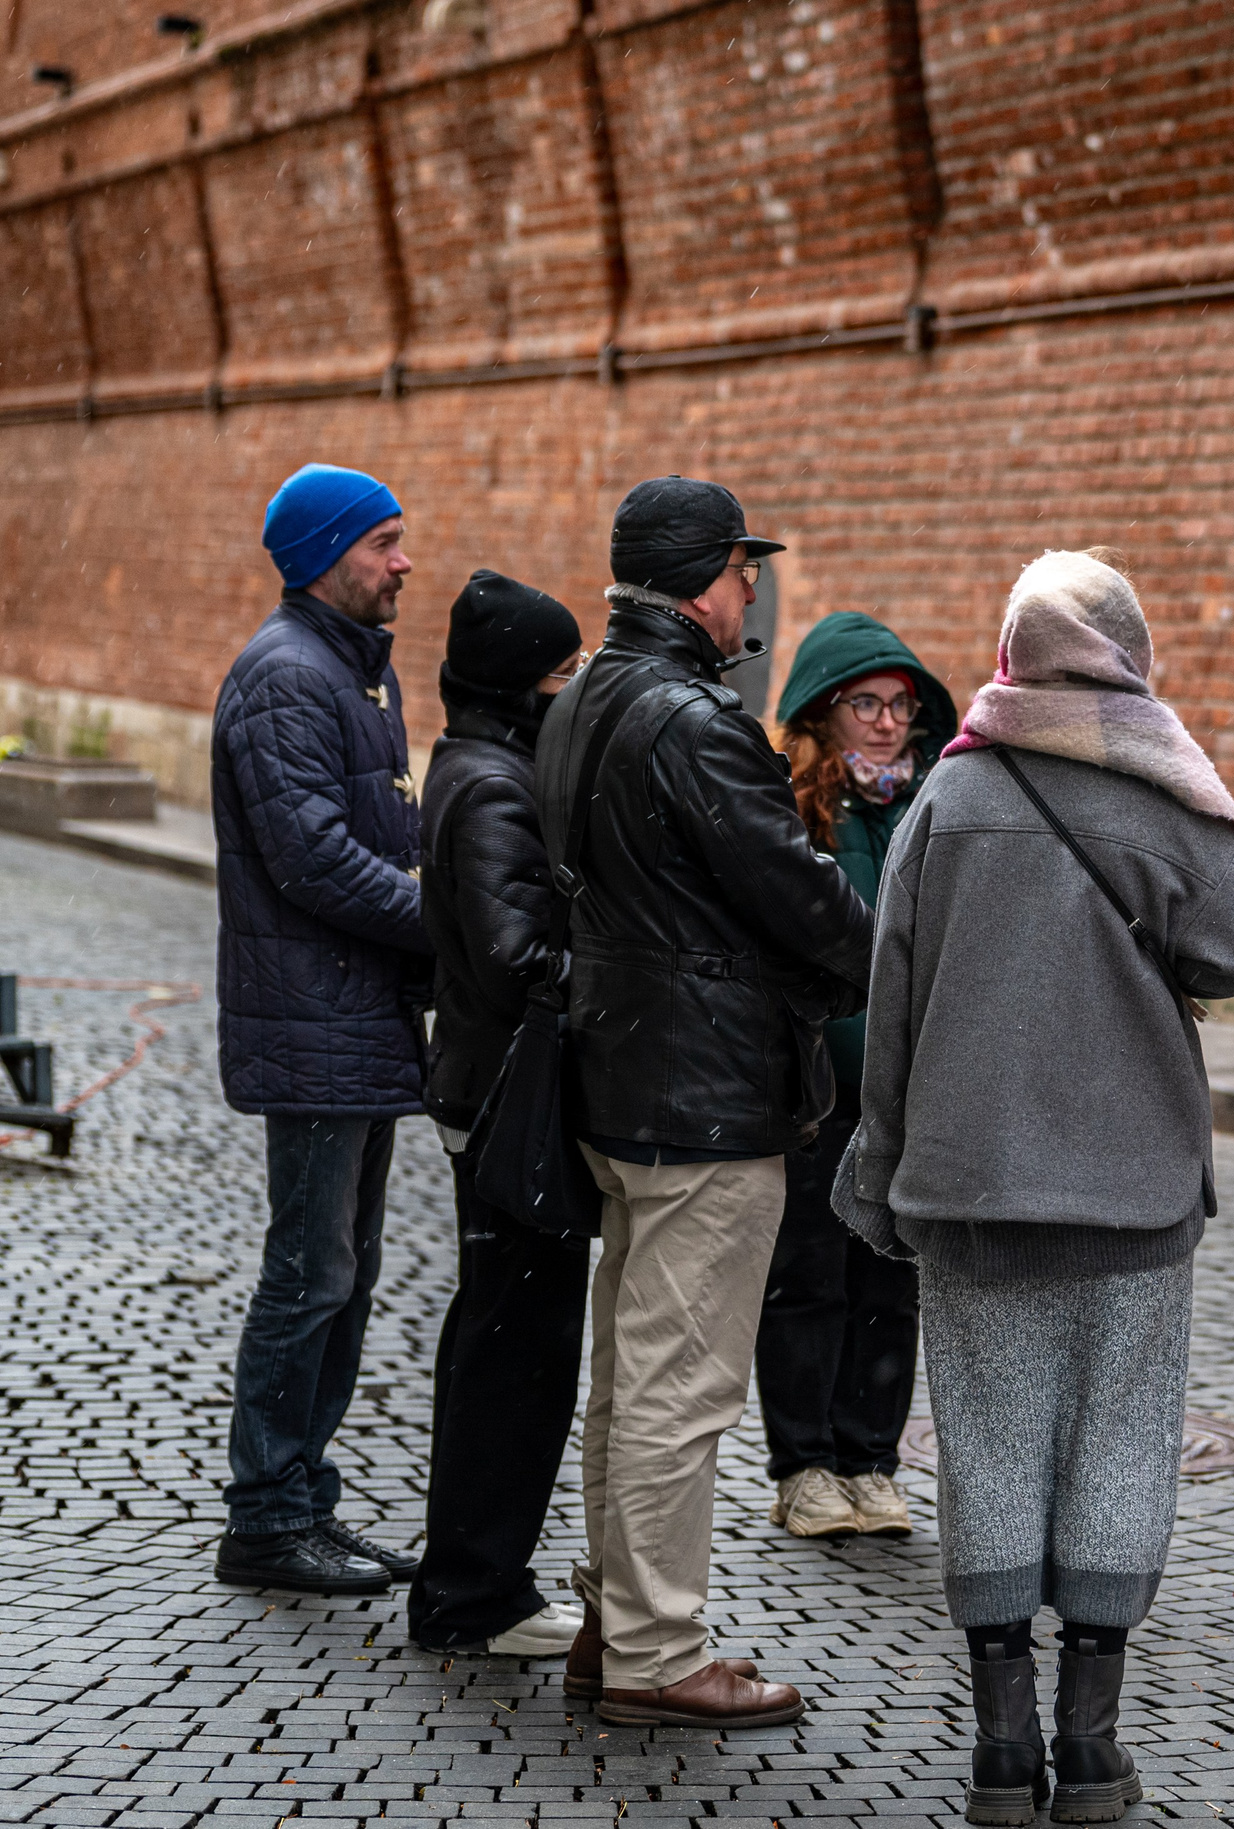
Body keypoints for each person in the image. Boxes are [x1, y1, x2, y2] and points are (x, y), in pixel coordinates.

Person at [838, 550, 1234, 1827]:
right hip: (1131, 1187)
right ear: (1126, 651)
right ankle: (1089, 1752)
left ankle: (997, 1751)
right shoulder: (1162, 785)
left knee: (985, 1442)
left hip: (972, 1188)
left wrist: (881, 1171)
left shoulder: (947, 794)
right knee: (1122, 1441)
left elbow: (893, 1006)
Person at [533, 476, 872, 1731]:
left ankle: (613, 1621)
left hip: (625, 1078)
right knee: (678, 1388)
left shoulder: (584, 700)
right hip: (704, 1092)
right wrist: (881, 961)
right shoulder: (692, 715)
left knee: (629, 1378)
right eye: (743, 574)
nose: (753, 597)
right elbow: (788, 889)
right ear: (697, 579)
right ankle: (657, 1650)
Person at [210, 463, 434, 1597]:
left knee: (344, 1270)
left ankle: (303, 1496)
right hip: (315, 1021)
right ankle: (264, 1515)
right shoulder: (287, 677)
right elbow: (314, 858)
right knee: (309, 1273)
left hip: (353, 1017)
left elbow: (380, 828)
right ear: (323, 555)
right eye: (384, 541)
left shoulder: (350, 670)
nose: (404, 561)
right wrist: (449, 924)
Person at [407, 571, 591, 1657]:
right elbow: (518, 953)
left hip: (492, 1087)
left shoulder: (489, 764)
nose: (573, 687)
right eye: (562, 671)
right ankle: (473, 1590)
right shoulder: (490, 784)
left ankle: (477, 1579)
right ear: (520, 682)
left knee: (507, 1336)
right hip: (500, 1098)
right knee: (511, 1347)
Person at [755, 616, 954, 1540]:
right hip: (819, 1088)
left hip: (911, 1087)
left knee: (890, 1279)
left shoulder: (935, 807)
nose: (883, 723)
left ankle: (871, 1458)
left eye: (898, 705)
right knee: (808, 1276)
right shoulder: (795, 805)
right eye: (864, 703)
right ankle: (803, 1463)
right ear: (824, 713)